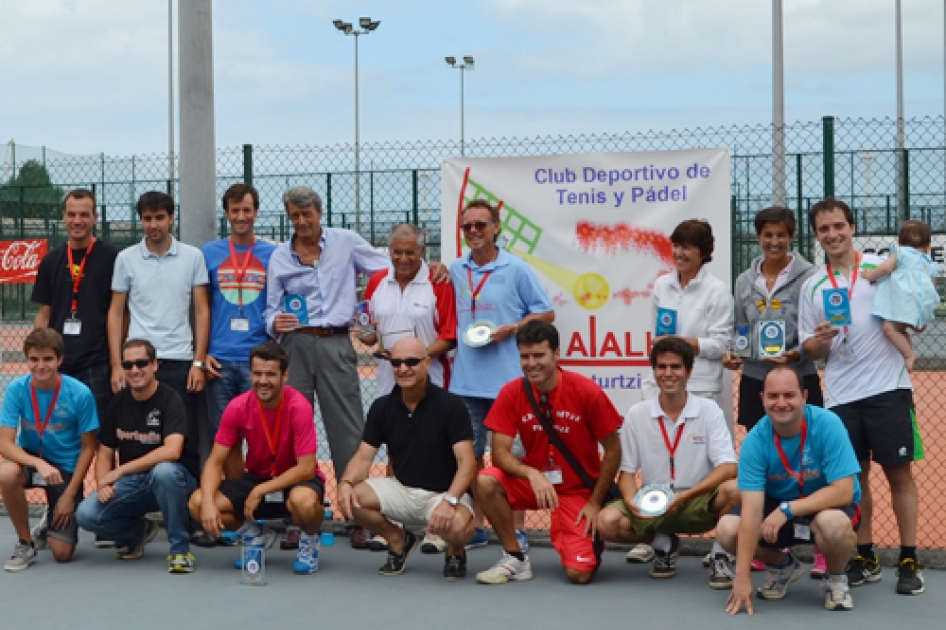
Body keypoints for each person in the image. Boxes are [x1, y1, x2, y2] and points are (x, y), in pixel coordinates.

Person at [799, 198, 924, 596]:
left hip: (888, 389)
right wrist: (819, 342)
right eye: (824, 229)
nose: (833, 234)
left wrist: (913, 322)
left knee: (899, 475)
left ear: (852, 228)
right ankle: (866, 555)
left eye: (839, 226)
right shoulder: (812, 286)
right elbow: (810, 350)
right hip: (840, 396)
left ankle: (908, 558)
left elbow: (913, 306)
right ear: (816, 236)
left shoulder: (877, 269)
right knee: (857, 480)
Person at [263, 185, 389, 549]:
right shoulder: (279, 257)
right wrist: (277, 323)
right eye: (294, 216)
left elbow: (386, 268)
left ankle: (359, 515)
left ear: (320, 213)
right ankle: (296, 516)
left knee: (348, 429)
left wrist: (369, 315)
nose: (302, 222)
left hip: (336, 341)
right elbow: (270, 310)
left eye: (307, 215)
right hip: (295, 346)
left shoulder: (346, 242)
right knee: (290, 431)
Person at [475, 321, 622, 585]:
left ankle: (582, 541)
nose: (532, 363)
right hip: (536, 484)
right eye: (525, 356)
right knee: (486, 480)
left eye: (539, 355)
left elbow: (613, 450)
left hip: (576, 491)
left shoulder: (587, 391)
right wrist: (531, 473)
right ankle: (515, 557)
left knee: (579, 575)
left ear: (556, 354)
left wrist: (595, 502)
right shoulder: (511, 393)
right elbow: (499, 454)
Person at [448, 199, 555, 551]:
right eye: (468, 227)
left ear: (496, 228)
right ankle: (477, 525)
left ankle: (517, 527)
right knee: (471, 456)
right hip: (466, 380)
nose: (474, 231)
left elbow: (546, 312)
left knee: (512, 456)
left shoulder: (516, 268)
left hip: (508, 382)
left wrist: (513, 328)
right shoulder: (454, 269)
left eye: (481, 224)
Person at [723, 206, 824, 576]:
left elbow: (813, 327)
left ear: (792, 236)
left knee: (809, 454)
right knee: (762, 455)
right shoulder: (743, 280)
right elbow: (740, 327)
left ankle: (820, 545)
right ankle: (763, 540)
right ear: (758, 237)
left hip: (798, 375)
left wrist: (794, 354)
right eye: (768, 235)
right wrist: (737, 353)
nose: (775, 241)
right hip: (755, 378)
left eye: (781, 234)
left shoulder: (809, 276)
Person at [597, 336, 739, 588]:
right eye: (661, 367)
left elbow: (729, 467)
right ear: (654, 371)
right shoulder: (637, 414)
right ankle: (664, 545)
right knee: (607, 522)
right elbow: (627, 472)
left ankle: (720, 554)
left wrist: (685, 497)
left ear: (689, 372)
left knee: (737, 489)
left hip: (699, 502)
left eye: (675, 367)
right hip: (654, 505)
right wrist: (631, 501)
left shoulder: (709, 410)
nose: (668, 373)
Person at [631, 219, 733, 565]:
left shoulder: (718, 291)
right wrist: (665, 357)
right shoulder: (662, 285)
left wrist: (682, 346)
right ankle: (659, 534)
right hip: (662, 385)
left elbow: (722, 344)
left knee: (712, 468)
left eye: (688, 247)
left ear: (704, 253)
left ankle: (722, 544)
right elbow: (657, 333)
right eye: (677, 246)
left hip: (702, 385)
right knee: (657, 459)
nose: (680, 253)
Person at [718, 366, 861, 614]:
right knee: (727, 530)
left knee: (834, 524)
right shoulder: (755, 440)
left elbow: (843, 492)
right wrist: (742, 577)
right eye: (773, 396)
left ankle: (836, 577)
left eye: (789, 395)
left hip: (823, 505)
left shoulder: (828, 424)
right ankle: (783, 565)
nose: (781, 403)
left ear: (804, 396)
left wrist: (789, 509)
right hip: (777, 508)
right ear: (762, 398)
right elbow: (751, 512)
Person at [337, 338, 475, 579]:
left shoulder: (451, 406)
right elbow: (362, 457)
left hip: (443, 494)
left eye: (411, 361)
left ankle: (455, 549)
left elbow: (467, 463)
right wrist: (345, 483)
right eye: (396, 363)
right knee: (351, 498)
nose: (403, 369)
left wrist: (449, 501)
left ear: (427, 362)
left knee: (459, 529)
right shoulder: (382, 407)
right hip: (402, 490)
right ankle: (398, 539)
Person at [359, 223, 458, 554]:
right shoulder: (376, 282)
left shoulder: (438, 282)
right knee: (394, 445)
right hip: (390, 379)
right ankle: (395, 522)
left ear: (422, 252)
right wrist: (369, 338)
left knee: (439, 448)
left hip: (433, 378)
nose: (403, 259)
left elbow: (449, 334)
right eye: (397, 252)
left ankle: (438, 527)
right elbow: (371, 333)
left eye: (410, 252)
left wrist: (414, 360)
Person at [30, 187, 119, 549]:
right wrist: (37, 357)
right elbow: (45, 313)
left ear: (95, 217)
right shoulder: (52, 260)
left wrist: (117, 363)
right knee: (60, 437)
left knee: (101, 440)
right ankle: (62, 506)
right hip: (60, 367)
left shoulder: (112, 257)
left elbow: (119, 312)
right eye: (72, 214)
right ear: (64, 217)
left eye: (85, 214)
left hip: (97, 361)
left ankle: (107, 515)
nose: (78, 220)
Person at [188, 342, 325, 575]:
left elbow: (306, 468)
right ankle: (253, 535)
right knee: (197, 503)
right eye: (257, 373)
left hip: (293, 481)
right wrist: (210, 503)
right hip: (257, 479)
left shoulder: (298, 406)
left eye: (271, 374)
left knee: (304, 503)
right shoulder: (237, 407)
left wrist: (261, 491)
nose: (263, 380)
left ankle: (310, 538)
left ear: (285, 375)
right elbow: (215, 461)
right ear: (250, 374)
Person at [76, 339, 200, 573]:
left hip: (177, 482)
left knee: (164, 471)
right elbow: (104, 451)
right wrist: (105, 482)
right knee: (86, 514)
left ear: (155, 365)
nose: (134, 370)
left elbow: (172, 451)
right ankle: (139, 533)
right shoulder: (118, 402)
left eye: (141, 363)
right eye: (128, 364)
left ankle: (180, 550)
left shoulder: (171, 399)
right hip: (135, 484)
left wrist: (121, 470)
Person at [199, 183, 279, 547]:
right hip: (219, 361)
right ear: (227, 213)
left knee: (262, 438)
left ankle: (261, 506)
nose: (241, 217)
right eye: (235, 210)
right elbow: (201, 309)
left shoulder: (273, 254)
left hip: (256, 362)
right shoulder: (210, 254)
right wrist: (202, 356)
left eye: (247, 210)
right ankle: (240, 512)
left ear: (256, 212)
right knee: (227, 441)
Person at [108, 191, 209, 456]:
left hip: (179, 360)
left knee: (185, 441)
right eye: (148, 218)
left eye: (160, 218)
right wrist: (118, 365)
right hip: (137, 362)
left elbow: (201, 310)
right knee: (136, 438)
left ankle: (186, 496)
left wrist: (198, 362)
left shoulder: (192, 257)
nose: (154, 225)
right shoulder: (126, 258)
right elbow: (116, 313)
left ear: (171, 218)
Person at [0, 329, 99, 572]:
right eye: (34, 359)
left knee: (62, 554)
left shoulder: (80, 394)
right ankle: (26, 542)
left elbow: (89, 448)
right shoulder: (17, 390)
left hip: (65, 467)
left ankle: (50, 520)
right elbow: (5, 444)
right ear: (27, 360)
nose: (40, 366)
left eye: (47, 359)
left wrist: (70, 493)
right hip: (32, 460)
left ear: (60, 360)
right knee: (6, 473)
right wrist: (38, 464)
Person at [860, 219, 939, 372]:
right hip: (917, 308)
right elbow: (932, 287)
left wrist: (871, 276)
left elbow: (885, 268)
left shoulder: (901, 253)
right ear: (928, 247)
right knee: (900, 330)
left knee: (889, 328)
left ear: (900, 244)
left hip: (901, 305)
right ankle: (907, 353)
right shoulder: (928, 262)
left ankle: (909, 354)